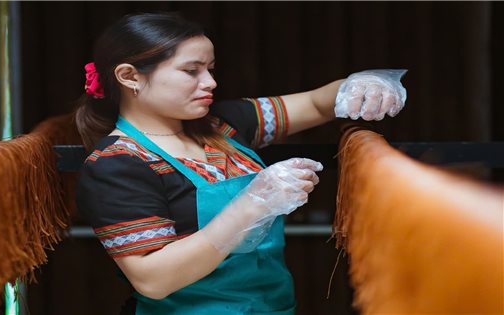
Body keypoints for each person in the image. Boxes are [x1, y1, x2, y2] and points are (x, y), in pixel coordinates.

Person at [75, 12, 407, 315]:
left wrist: (358, 85)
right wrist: (251, 206)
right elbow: (154, 279)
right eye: (191, 71)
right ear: (129, 76)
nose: (210, 83)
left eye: (210, 69)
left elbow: (316, 104)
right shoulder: (118, 164)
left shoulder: (224, 124)